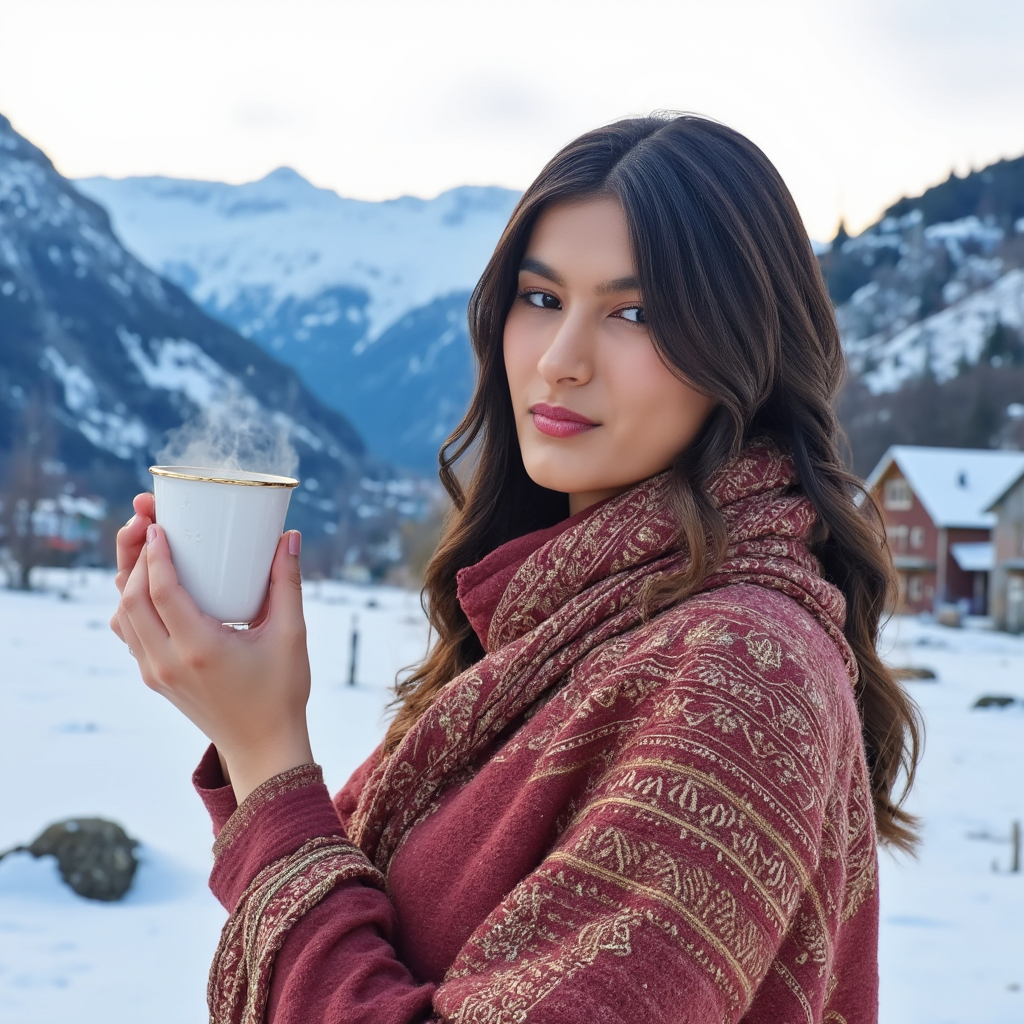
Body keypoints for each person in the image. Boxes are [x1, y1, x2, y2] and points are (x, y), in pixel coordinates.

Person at [112, 113, 920, 1024]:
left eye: (635, 313)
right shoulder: (565, 625)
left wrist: (266, 754)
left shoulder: (740, 672)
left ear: (745, 352)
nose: (561, 361)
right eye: (540, 299)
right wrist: (242, 715)